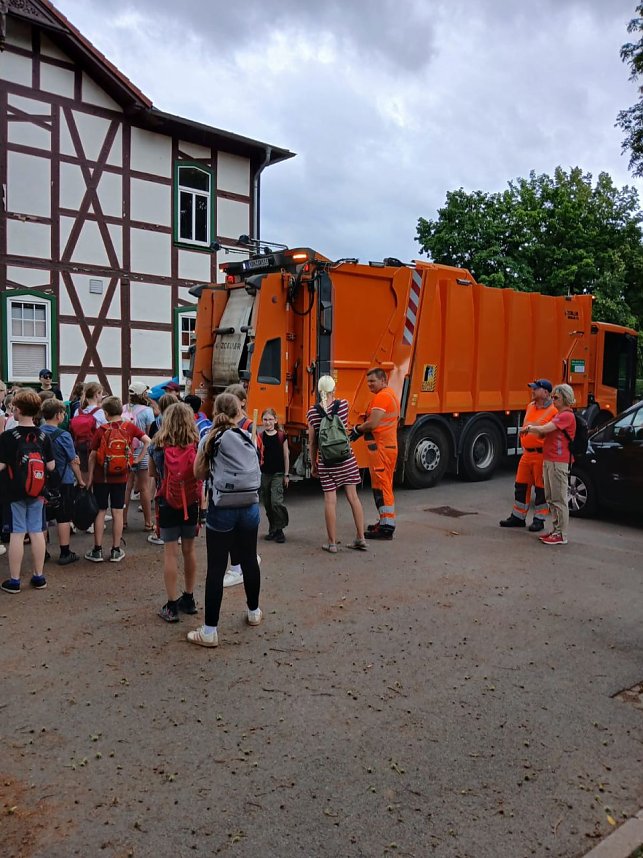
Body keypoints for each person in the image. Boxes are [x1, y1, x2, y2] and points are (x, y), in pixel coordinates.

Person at [188, 393, 262, 647]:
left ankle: (209, 631)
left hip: (222, 507)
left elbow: (198, 473)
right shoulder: (246, 436)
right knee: (250, 559)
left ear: (216, 410)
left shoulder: (210, 437)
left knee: (217, 568)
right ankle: (254, 612)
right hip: (250, 504)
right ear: (237, 411)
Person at [148, 402, 200, 623]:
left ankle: (171, 605)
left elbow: (152, 473)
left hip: (167, 502)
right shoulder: (196, 444)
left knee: (170, 553)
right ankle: (188, 598)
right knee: (189, 550)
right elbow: (201, 475)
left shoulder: (157, 445)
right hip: (191, 501)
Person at [0, 388, 55, 593]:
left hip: (14, 491)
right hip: (38, 489)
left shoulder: (7, 437)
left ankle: (14, 580)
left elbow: (2, 466)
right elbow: (51, 467)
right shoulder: (43, 436)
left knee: (17, 532)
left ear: (19, 410)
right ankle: (38, 576)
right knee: (36, 531)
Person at [85, 396, 150, 563]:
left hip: (101, 477)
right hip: (121, 476)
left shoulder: (101, 430)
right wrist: (137, 459)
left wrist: (90, 477)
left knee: (100, 511)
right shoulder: (129, 427)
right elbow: (147, 441)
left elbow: (92, 455)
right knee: (117, 512)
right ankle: (115, 549)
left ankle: (97, 550)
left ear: (106, 413)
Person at [307, 375, 366, 553]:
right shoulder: (344, 405)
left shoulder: (312, 413)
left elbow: (312, 442)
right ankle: (361, 538)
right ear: (334, 390)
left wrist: (314, 463)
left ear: (318, 391)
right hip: (346, 458)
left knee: (330, 501)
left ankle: (332, 543)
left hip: (327, 463)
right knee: (353, 498)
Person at [521, 383, 576, 546]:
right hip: (550, 459)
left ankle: (561, 533)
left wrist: (529, 428)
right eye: (553, 397)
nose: (553, 400)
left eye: (556, 397)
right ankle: (556, 530)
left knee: (559, 499)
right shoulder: (559, 414)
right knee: (551, 498)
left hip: (558, 461)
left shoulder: (566, 416)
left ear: (565, 398)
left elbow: (546, 428)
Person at [500, 379, 557, 532]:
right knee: (521, 485)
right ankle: (518, 517)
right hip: (527, 454)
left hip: (540, 455)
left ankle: (539, 519)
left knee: (540, 489)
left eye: (536, 389)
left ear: (545, 392)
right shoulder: (530, 406)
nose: (532, 391)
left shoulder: (553, 411)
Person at [350, 367, 400, 540]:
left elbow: (372, 424)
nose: (369, 385)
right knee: (381, 485)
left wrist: (356, 430)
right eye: (368, 382)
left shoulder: (383, 396)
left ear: (383, 380)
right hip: (384, 448)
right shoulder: (387, 395)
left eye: (372, 381)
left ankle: (387, 528)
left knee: (383, 486)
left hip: (382, 449)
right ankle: (385, 522)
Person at [40, 398, 85, 565]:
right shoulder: (64, 435)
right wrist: (80, 480)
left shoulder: (38, 432)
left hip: (42, 480)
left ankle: (42, 551)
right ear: (58, 415)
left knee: (42, 518)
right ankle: (65, 552)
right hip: (63, 480)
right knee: (63, 516)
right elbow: (73, 460)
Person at [122, 382, 155, 531]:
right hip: (143, 450)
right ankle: (148, 522)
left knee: (126, 487)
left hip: (126, 451)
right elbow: (149, 433)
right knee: (144, 487)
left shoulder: (123, 408)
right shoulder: (148, 411)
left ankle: (122, 521)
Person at [259, 408, 289, 544]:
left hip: (278, 473)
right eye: (265, 419)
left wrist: (286, 475)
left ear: (276, 420)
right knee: (267, 503)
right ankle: (273, 529)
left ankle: (280, 529)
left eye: (270, 419)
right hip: (265, 473)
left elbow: (286, 456)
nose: (268, 422)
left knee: (276, 502)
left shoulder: (281, 436)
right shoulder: (260, 436)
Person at [71, 382, 106, 484]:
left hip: (80, 447)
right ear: (97, 394)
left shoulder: (78, 411)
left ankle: (85, 495)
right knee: (96, 478)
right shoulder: (101, 412)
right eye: (101, 394)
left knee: (83, 476)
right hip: (96, 448)